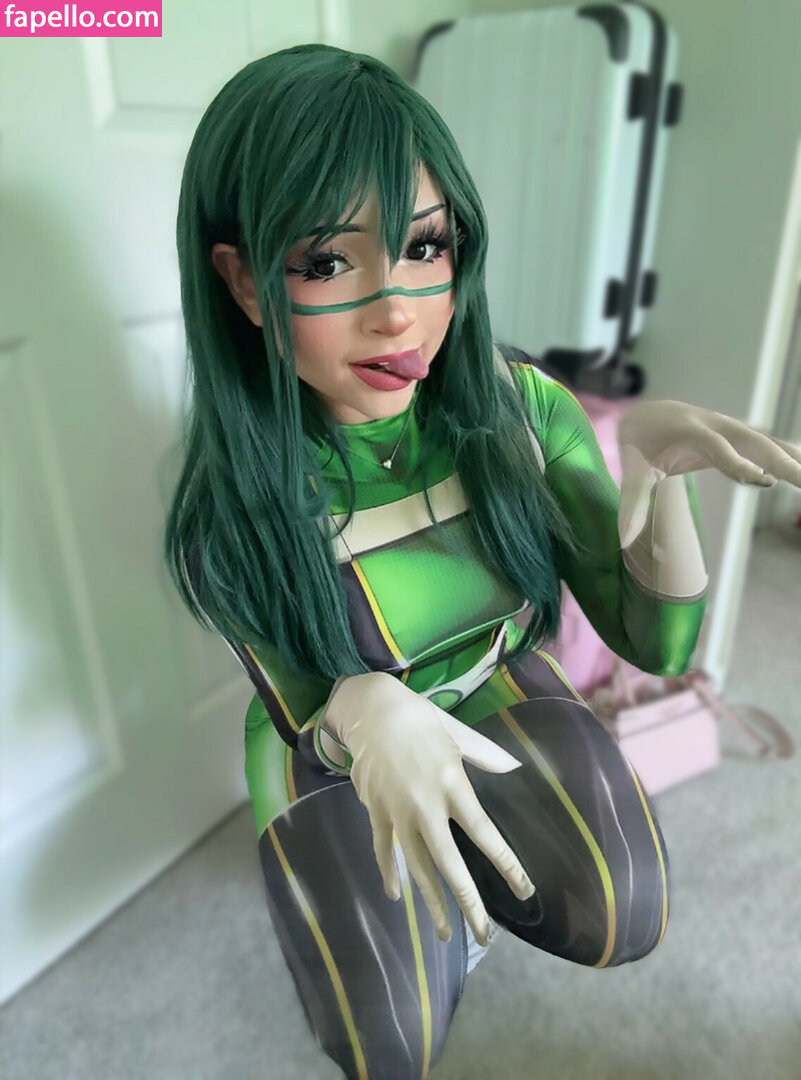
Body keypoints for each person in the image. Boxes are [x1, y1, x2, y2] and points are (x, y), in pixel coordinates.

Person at [164, 44, 801, 1080]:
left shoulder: (520, 409)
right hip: (334, 751)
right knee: (389, 1043)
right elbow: (305, 711)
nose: (397, 310)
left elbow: (654, 643)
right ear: (241, 282)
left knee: (622, 908)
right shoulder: (232, 509)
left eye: (425, 246)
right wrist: (363, 704)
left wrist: (655, 478)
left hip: (492, 682)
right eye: (327, 263)